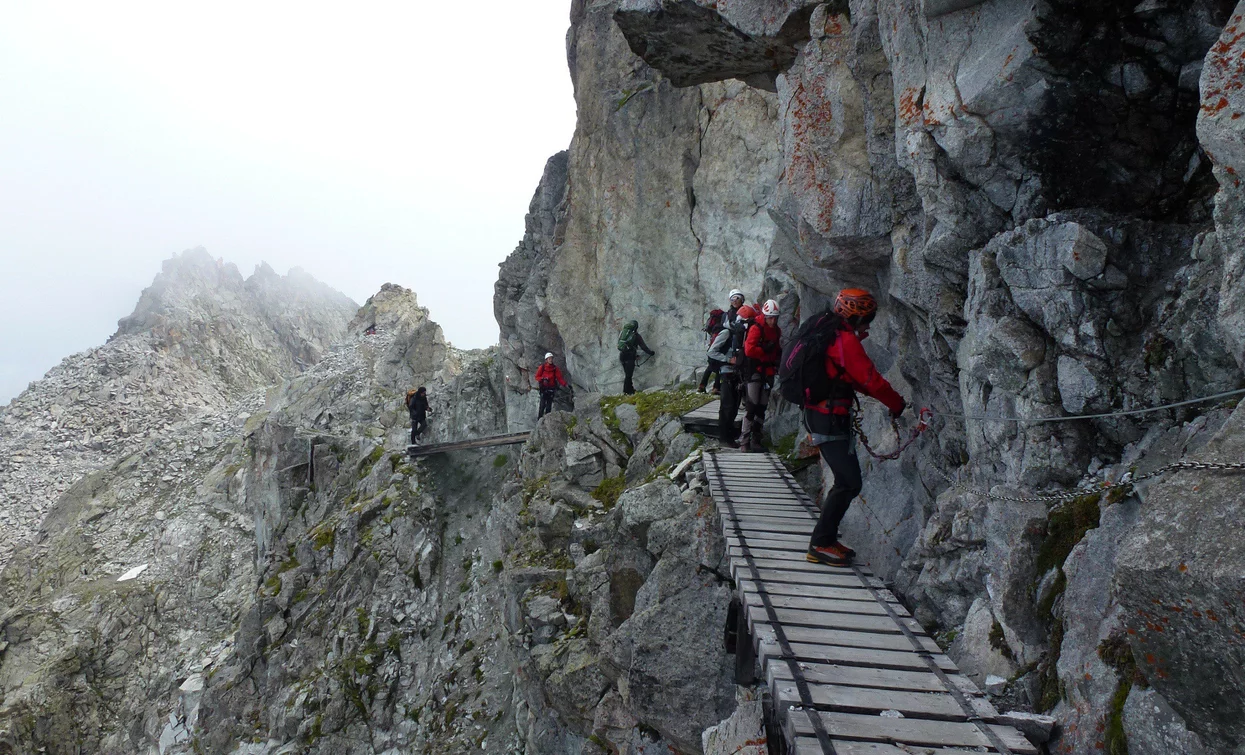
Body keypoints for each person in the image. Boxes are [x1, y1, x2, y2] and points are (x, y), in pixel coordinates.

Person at [804, 289, 907, 566]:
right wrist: (897, 404)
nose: (869, 324)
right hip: (828, 416)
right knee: (849, 481)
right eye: (867, 318)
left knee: (847, 480)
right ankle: (821, 543)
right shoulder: (844, 340)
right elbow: (870, 379)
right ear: (856, 316)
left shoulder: (831, 334)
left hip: (822, 414)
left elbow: (853, 379)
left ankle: (824, 540)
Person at [708, 304, 755, 447]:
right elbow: (712, 352)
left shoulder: (743, 335)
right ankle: (724, 438)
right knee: (727, 406)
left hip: (738, 374)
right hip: (727, 373)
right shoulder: (727, 333)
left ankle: (728, 437)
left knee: (734, 406)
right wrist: (728, 360)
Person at [740, 299, 782, 452]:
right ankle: (744, 441)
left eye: (775, 317)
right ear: (765, 316)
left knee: (762, 407)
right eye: (771, 317)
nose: (773, 320)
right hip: (755, 371)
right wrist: (764, 350)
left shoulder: (776, 331)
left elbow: (777, 349)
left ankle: (756, 440)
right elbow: (749, 351)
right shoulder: (756, 329)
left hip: (768, 371)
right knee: (752, 406)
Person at [699, 289, 746, 394]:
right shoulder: (729, 315)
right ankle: (715, 388)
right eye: (732, 299)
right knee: (720, 366)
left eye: (737, 298)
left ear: (742, 299)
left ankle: (709, 387)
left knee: (715, 367)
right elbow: (729, 326)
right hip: (727, 345)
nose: (734, 301)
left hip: (729, 346)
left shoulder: (738, 313)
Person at [617, 320, 655, 395]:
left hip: (622, 356)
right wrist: (651, 353)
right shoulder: (636, 336)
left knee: (627, 374)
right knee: (628, 375)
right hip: (629, 357)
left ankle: (630, 389)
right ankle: (627, 391)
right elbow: (643, 347)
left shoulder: (623, 333)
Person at [535, 352, 568, 418]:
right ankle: (540, 420)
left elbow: (559, 378)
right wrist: (543, 379)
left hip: (551, 388)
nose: (551, 360)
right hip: (544, 389)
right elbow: (537, 377)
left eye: (551, 358)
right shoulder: (542, 367)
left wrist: (565, 384)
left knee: (548, 406)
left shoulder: (555, 369)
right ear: (546, 360)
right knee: (542, 406)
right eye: (549, 358)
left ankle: (547, 421)